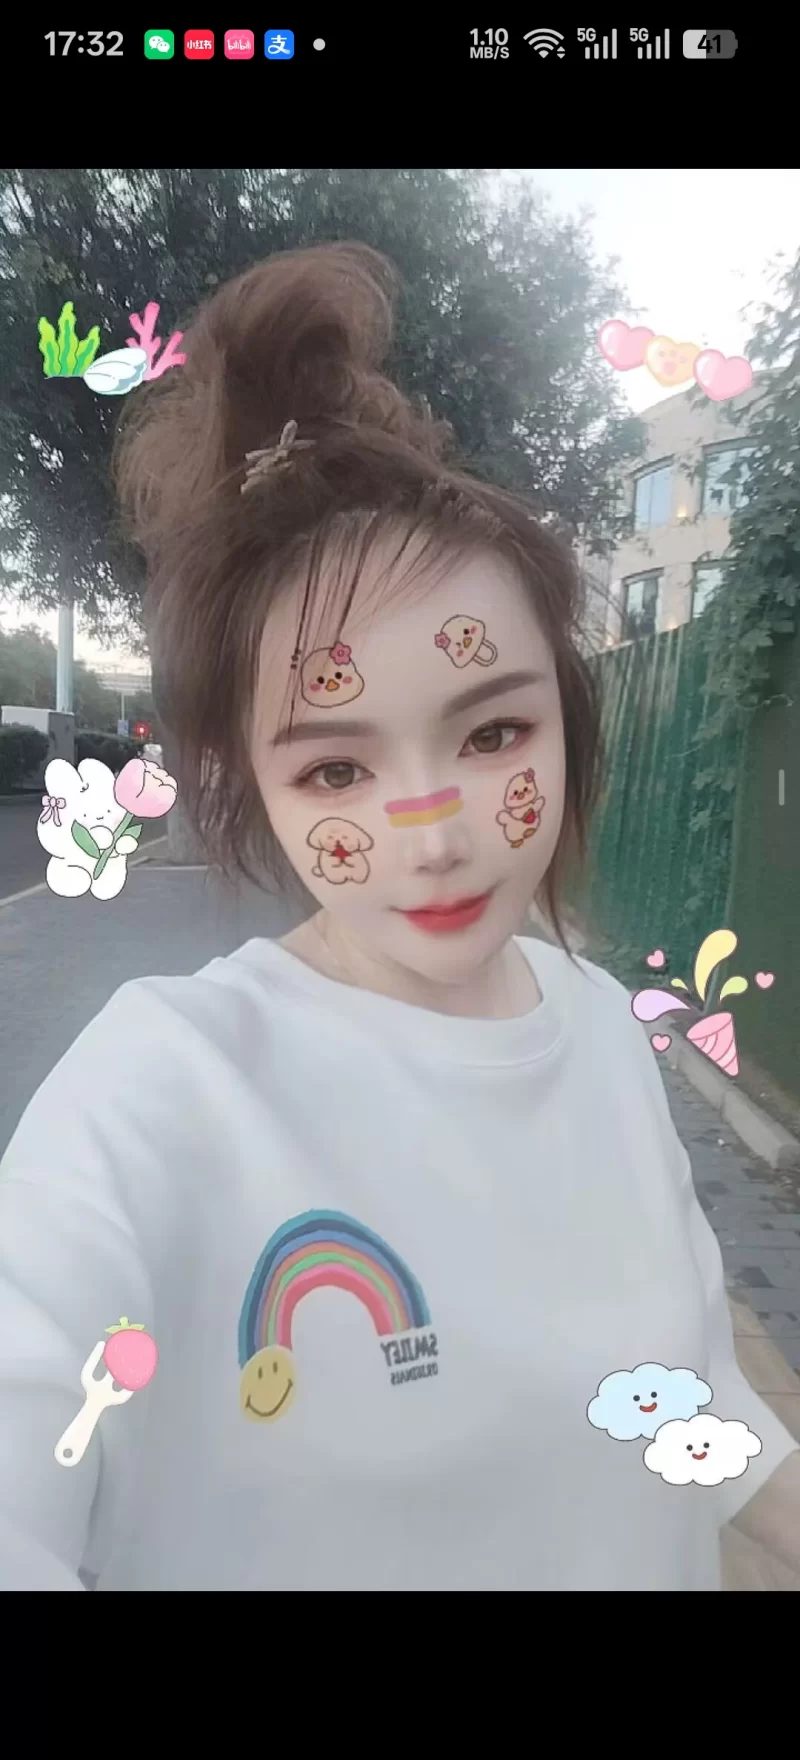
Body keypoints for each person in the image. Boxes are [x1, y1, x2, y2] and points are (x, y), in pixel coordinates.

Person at [0, 242, 797, 1591]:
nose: (435, 836)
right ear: (250, 784)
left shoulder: (606, 1031)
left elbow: (688, 1406)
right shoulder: (159, 1093)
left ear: (567, 720)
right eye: (336, 770)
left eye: (492, 734)